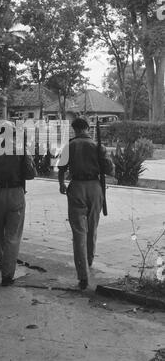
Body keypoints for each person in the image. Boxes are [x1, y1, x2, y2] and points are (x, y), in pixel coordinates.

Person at [58, 117, 114, 290]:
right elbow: (110, 170)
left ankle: (83, 275)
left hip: (77, 188)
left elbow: (61, 169)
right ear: (88, 128)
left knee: (79, 232)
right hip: (95, 188)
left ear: (75, 129)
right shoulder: (98, 146)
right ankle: (89, 261)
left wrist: (61, 184)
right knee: (92, 228)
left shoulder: (70, 145)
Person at [0, 121, 37, 286]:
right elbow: (31, 174)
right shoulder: (21, 150)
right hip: (16, 194)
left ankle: (1, 261)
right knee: (12, 236)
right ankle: (7, 275)